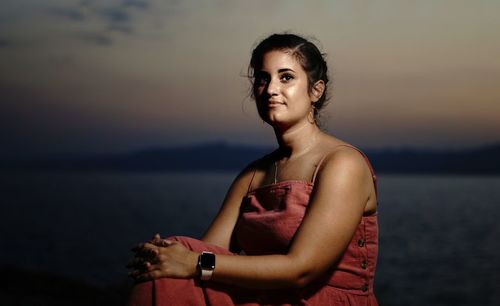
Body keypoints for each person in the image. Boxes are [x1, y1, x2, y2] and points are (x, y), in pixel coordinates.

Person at [126, 33, 379, 305]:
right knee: (166, 269)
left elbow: (302, 270)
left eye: (286, 77)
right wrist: (168, 255)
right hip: (266, 300)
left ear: (315, 90)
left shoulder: (342, 164)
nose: (270, 89)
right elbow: (209, 252)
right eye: (263, 78)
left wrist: (193, 261)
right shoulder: (252, 176)